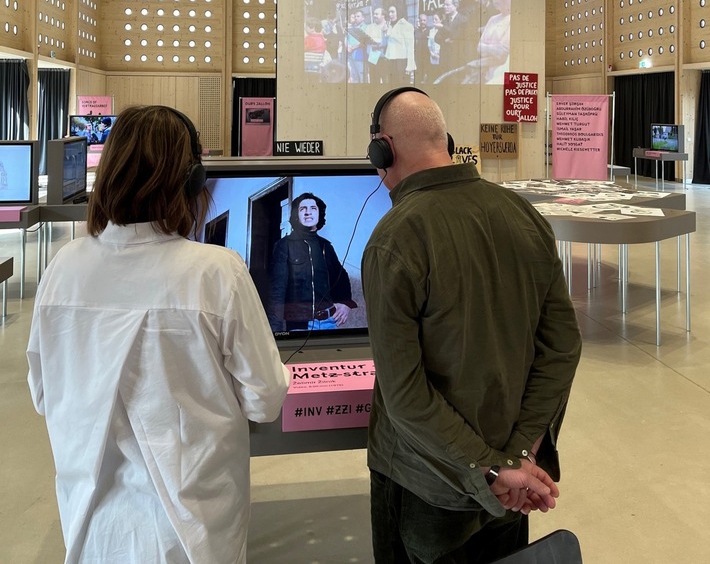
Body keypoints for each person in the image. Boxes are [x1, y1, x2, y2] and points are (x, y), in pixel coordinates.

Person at [27, 105, 290, 564]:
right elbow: (265, 399)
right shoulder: (215, 272)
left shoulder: (63, 268)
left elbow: (44, 394)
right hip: (194, 529)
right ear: (191, 181)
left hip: (92, 526)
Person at [362, 87, 581, 564]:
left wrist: (489, 470)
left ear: (383, 149)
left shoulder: (394, 240)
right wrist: (517, 453)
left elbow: (404, 396)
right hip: (515, 482)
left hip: (425, 487)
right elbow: (562, 347)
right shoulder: (524, 214)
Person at [268, 192, 357, 331]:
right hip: (299, 326)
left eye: (313, 208)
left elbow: (342, 276)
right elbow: (276, 292)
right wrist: (275, 332)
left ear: (319, 214)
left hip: (329, 322)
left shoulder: (326, 246)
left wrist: (345, 303)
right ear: (296, 215)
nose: (308, 212)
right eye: (303, 209)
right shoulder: (283, 245)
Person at [384, 5, 416, 83]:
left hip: (402, 61)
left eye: (393, 12)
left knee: (402, 84)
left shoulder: (406, 26)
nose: (390, 14)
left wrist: (410, 65)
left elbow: (410, 46)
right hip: (391, 60)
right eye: (389, 12)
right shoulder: (389, 25)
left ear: (399, 12)